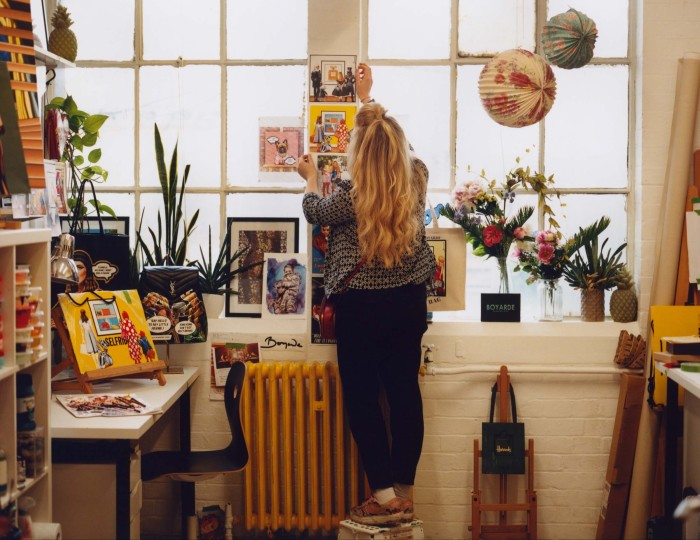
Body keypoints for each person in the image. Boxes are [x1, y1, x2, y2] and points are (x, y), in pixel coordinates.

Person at [298, 62, 436, 526]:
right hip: (407, 302)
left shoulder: (349, 197)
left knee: (362, 399)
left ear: (358, 153)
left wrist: (310, 176)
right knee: (403, 395)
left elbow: (314, 211)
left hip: (360, 307)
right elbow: (391, 141)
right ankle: (406, 492)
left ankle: (382, 494)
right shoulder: (416, 180)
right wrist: (367, 101)